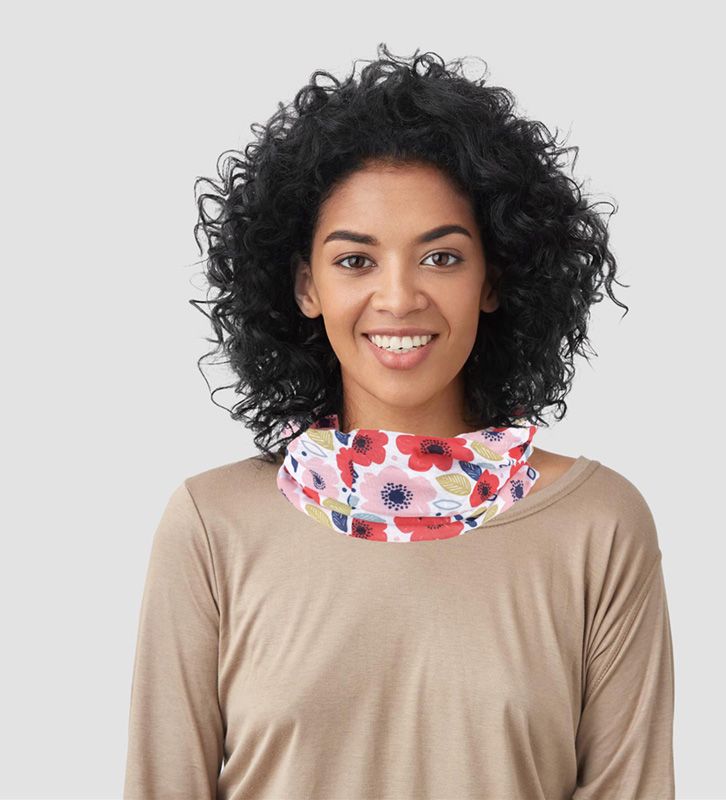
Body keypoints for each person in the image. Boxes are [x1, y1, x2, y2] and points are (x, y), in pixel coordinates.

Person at [124, 44, 675, 799]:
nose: (398, 298)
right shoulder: (211, 526)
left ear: (493, 279)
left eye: (441, 258)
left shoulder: (598, 527)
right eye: (355, 261)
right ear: (306, 287)